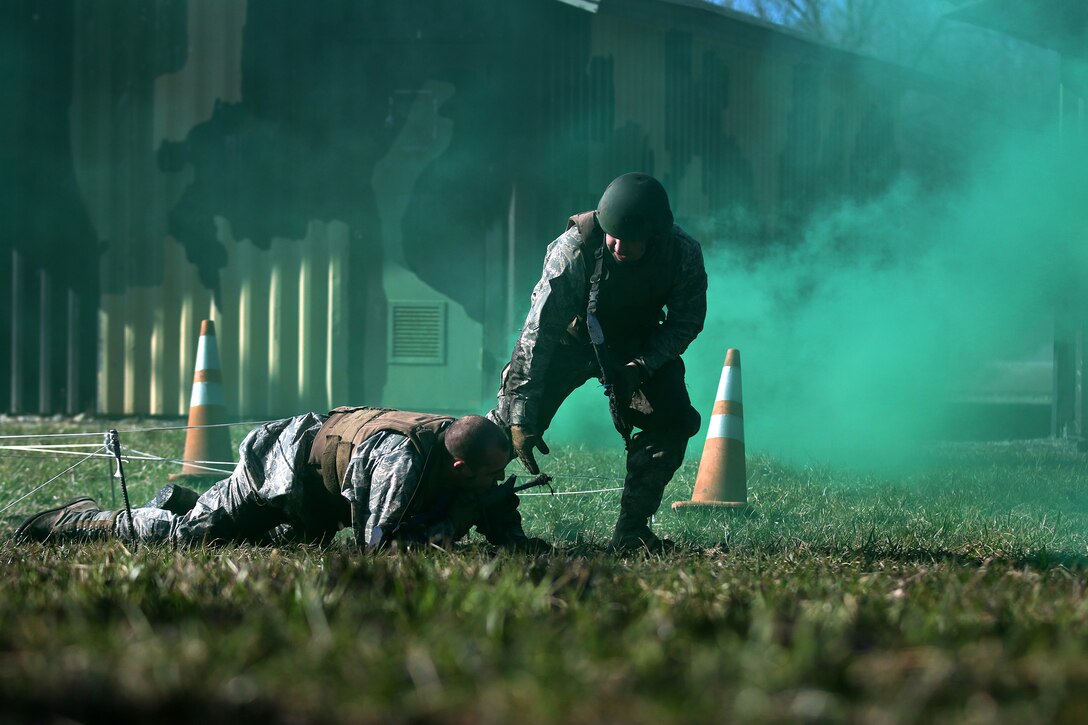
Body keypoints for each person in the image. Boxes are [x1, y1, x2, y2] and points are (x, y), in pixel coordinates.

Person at [490, 172, 708, 550]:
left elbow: (686, 321)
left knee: (673, 423)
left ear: (655, 235)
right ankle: (456, 510)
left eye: (632, 239)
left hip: (639, 346)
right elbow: (537, 334)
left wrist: (641, 366)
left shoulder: (681, 253)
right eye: (613, 235)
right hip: (570, 340)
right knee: (503, 428)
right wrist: (522, 415)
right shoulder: (573, 250)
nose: (619, 246)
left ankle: (632, 531)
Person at [16, 406, 548, 552]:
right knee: (196, 538)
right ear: (459, 467)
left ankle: (183, 500)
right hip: (282, 465)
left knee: (287, 541)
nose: (496, 479)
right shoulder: (400, 463)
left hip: (318, 499)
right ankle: (85, 519)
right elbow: (380, 547)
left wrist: (513, 538)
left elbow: (492, 500)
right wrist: (450, 525)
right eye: (489, 472)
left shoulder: (465, 450)